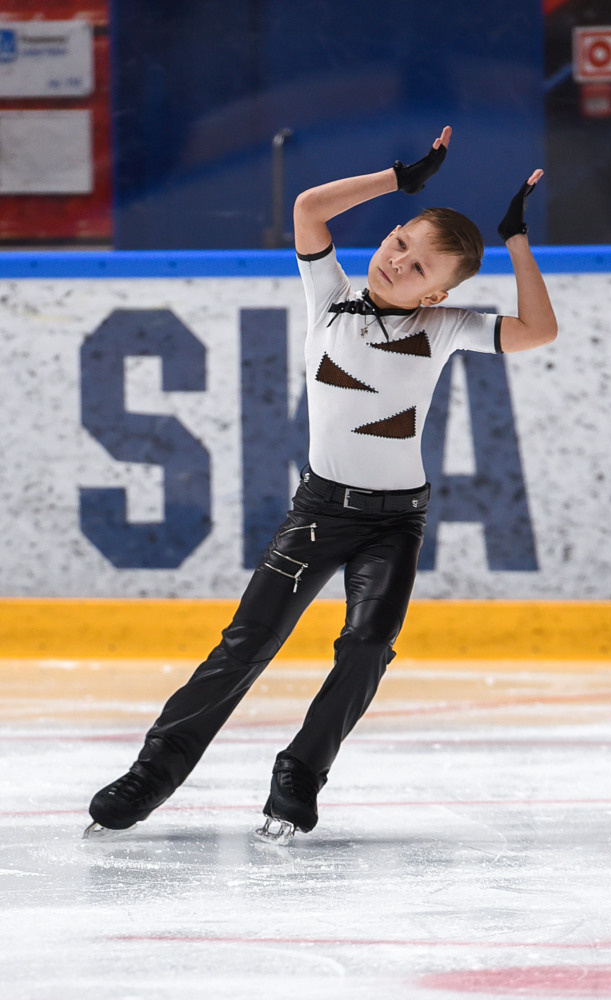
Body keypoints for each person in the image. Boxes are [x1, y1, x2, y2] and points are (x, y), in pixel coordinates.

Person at [86, 126, 557, 843]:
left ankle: (299, 776)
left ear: (439, 290)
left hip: (395, 523)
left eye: (419, 265)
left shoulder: (446, 327)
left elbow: (538, 331)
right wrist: (402, 178)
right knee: (245, 646)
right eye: (399, 242)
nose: (397, 261)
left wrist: (516, 242)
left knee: (368, 647)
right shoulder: (329, 298)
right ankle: (154, 772)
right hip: (317, 514)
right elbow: (309, 209)